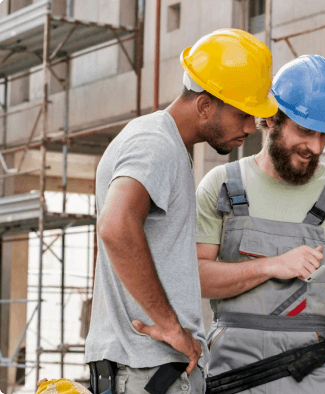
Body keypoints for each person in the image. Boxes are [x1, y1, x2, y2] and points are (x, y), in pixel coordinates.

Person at [195, 55, 325, 394]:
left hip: (320, 369)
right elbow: (197, 278)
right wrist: (272, 266)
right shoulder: (222, 184)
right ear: (272, 119)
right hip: (236, 373)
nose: (315, 147)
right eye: (306, 131)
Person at [85, 29, 277, 394]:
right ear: (205, 105)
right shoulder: (155, 144)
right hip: (148, 369)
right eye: (242, 114)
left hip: (145, 369)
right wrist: (171, 326)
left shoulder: (164, 143)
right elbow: (115, 226)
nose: (251, 128)